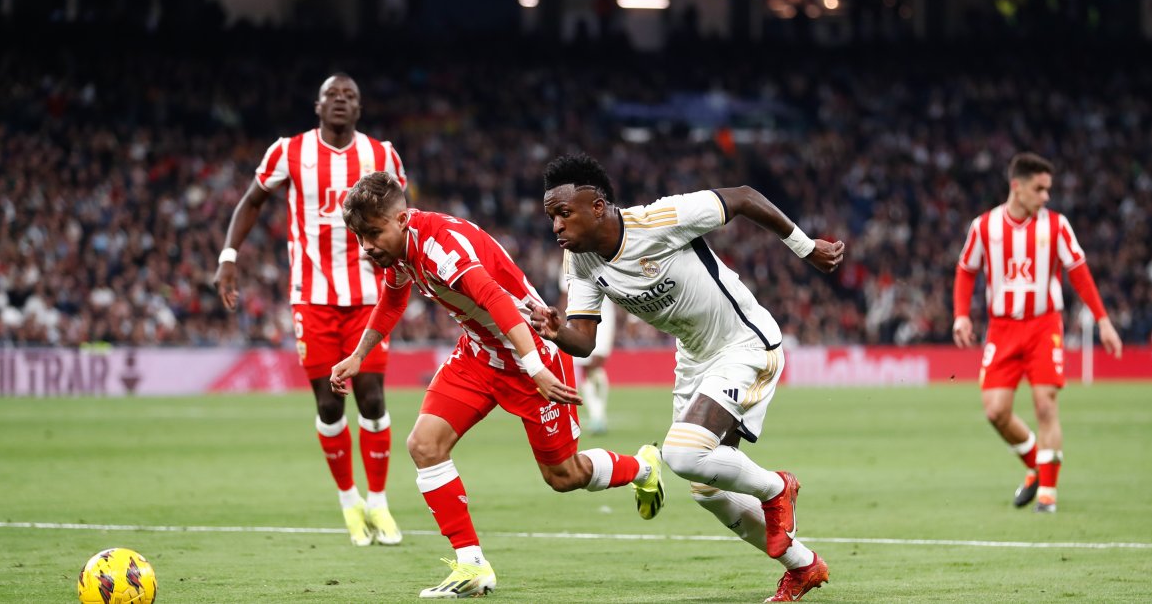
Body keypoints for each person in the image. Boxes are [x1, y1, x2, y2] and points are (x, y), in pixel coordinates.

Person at [330, 172, 664, 599]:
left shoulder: (442, 248)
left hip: (532, 351)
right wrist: (359, 355)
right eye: (360, 237)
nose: (367, 246)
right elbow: (393, 298)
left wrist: (535, 366)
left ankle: (644, 468)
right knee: (424, 444)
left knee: (563, 476)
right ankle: (471, 565)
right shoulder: (397, 253)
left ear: (403, 219)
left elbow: (496, 300)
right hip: (478, 354)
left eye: (373, 234)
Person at [535, 153, 845, 603]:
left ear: (598, 206)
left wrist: (805, 247)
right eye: (550, 218)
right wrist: (555, 329)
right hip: (696, 359)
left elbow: (742, 198)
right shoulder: (581, 263)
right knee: (706, 489)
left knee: (681, 455)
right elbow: (583, 340)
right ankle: (802, 566)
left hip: (745, 343)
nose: (556, 227)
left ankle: (777, 487)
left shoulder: (659, 219)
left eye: (564, 213)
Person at [213, 73, 406, 546]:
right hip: (313, 297)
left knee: (374, 398)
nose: (340, 101)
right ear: (317, 106)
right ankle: (349, 502)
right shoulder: (288, 151)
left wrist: (410, 267)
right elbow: (252, 201)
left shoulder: (382, 155)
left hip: (369, 295)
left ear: (359, 109)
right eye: (332, 95)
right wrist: (229, 257)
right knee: (328, 401)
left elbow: (404, 218)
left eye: (350, 96)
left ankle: (378, 502)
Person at [953, 152, 1123, 513]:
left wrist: (1103, 319)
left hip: (1045, 325)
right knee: (996, 411)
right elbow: (967, 270)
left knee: (1045, 404)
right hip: (1002, 329)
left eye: (1048, 189)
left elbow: (1078, 271)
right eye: (1039, 188)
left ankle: (1048, 493)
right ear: (1017, 186)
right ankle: (1036, 464)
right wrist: (961, 316)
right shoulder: (984, 227)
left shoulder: (1057, 226)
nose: (1046, 196)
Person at [558, 266, 618, 434]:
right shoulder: (569, 261)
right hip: (580, 318)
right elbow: (565, 293)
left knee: (595, 364)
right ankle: (597, 416)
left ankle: (598, 416)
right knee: (587, 367)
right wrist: (562, 322)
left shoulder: (602, 256)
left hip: (604, 317)